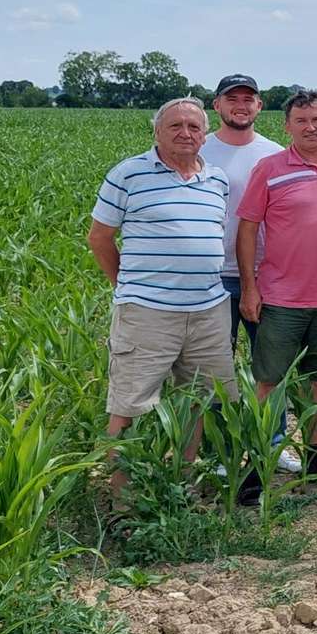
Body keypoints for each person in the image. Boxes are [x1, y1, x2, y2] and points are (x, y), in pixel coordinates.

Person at [87, 97, 239, 498]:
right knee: (131, 404)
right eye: (175, 126)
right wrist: (128, 287)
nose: (185, 133)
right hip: (148, 313)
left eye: (194, 127)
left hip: (208, 310)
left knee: (199, 402)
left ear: (205, 136)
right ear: (156, 131)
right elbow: (99, 238)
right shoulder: (128, 174)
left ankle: (181, 488)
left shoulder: (217, 180)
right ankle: (123, 499)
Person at [235, 90, 317, 481]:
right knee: (269, 382)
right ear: (287, 126)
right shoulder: (270, 168)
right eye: (301, 121)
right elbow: (247, 228)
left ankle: (313, 455)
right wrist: (249, 287)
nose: (310, 127)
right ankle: (258, 462)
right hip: (282, 298)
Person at [202, 72, 299, 476]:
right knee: (214, 367)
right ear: (217, 106)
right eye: (232, 99)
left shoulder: (275, 154)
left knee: (271, 366)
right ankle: (220, 451)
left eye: (248, 99)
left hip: (267, 274)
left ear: (260, 106)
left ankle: (271, 444)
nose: (240, 105)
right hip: (209, 275)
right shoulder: (197, 149)